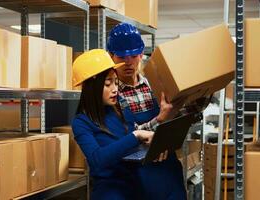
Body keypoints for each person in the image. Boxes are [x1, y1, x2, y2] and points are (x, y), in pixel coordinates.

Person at [107, 22, 188, 200]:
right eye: (122, 57)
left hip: (167, 169)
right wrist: (160, 119)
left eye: (134, 55)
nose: (128, 62)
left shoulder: (155, 83)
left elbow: (176, 117)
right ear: (111, 56)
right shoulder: (110, 94)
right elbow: (123, 136)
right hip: (135, 175)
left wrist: (191, 104)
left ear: (142, 54)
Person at [71, 49, 155, 200]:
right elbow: (97, 159)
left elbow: (130, 144)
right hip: (110, 192)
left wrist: (152, 148)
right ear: (92, 87)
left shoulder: (121, 108)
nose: (115, 89)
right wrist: (136, 136)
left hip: (136, 186)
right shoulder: (81, 122)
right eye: (108, 84)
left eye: (116, 82)